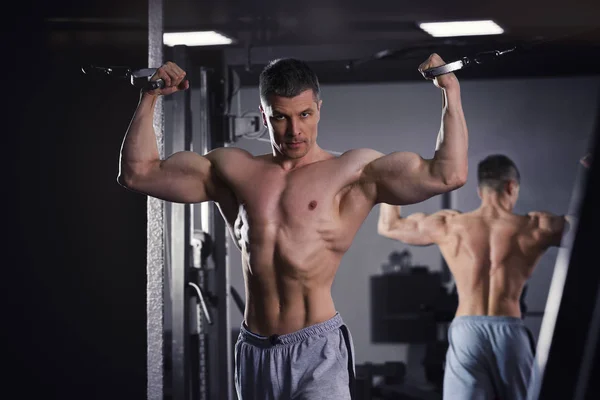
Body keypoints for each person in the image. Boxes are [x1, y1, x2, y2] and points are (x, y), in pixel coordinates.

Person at [118, 54, 469, 399]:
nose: (294, 130)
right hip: (255, 350)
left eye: (305, 114)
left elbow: (448, 174)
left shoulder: (353, 172)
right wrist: (149, 96)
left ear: (319, 108)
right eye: (281, 117)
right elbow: (138, 174)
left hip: (316, 349)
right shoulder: (234, 171)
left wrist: (449, 89)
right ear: (264, 115)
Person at [377, 154, 588, 400]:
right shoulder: (535, 227)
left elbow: (389, 226)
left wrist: (387, 178)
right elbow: (590, 229)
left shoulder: (449, 225)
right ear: (511, 186)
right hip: (509, 331)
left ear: (480, 191)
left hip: (467, 332)